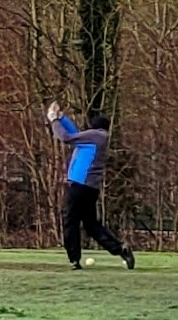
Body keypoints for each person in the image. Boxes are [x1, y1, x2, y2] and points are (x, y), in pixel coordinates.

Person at [46, 101, 135, 269]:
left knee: (70, 221)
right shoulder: (97, 139)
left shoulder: (95, 136)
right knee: (91, 225)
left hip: (79, 184)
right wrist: (62, 118)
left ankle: (74, 259)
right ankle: (120, 249)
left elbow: (66, 138)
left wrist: (53, 120)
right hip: (91, 188)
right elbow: (75, 135)